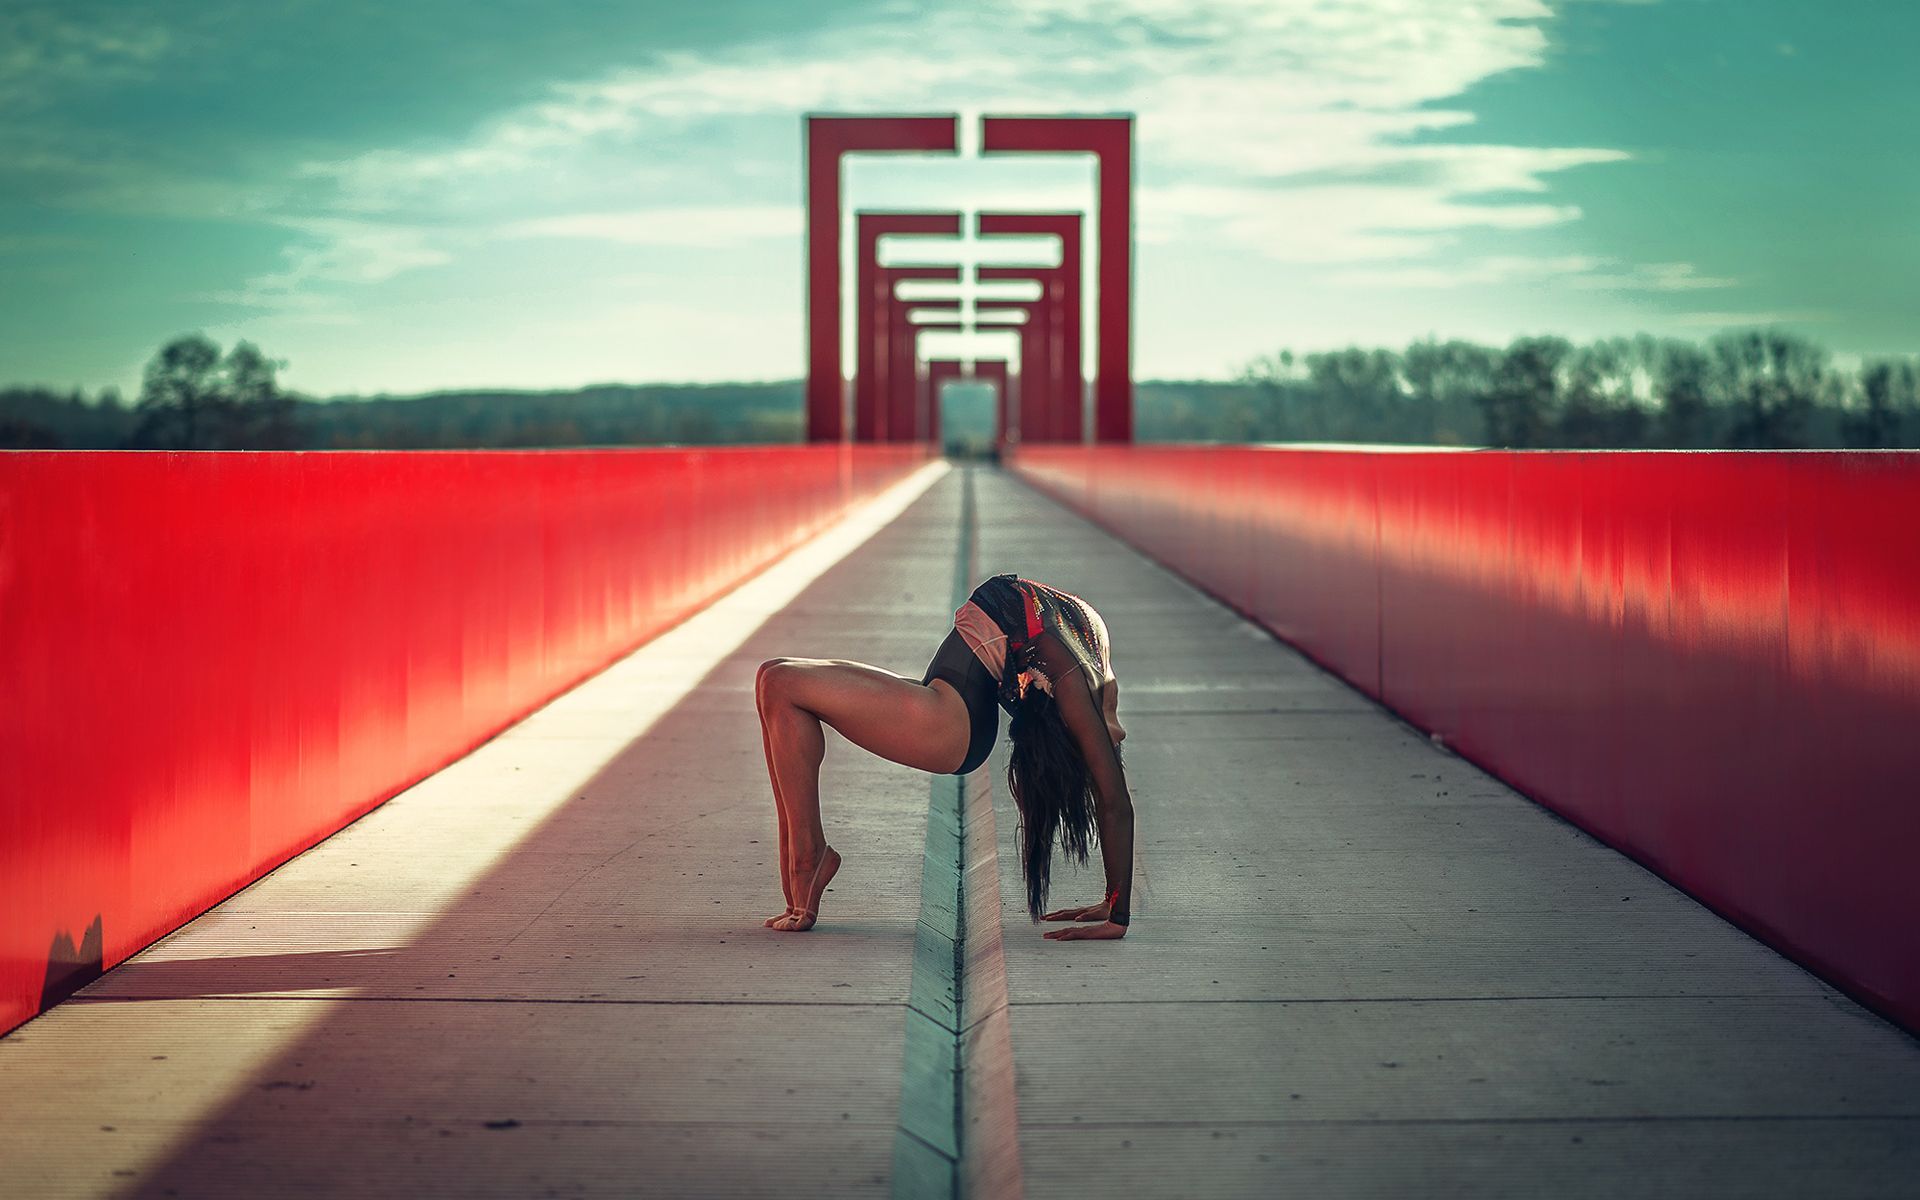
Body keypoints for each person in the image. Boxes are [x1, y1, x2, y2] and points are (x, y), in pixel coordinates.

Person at [754, 573, 1134, 939]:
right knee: (771, 674)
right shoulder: (1080, 637)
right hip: (942, 693)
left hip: (949, 724)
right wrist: (1109, 900)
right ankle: (805, 857)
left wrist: (1116, 914)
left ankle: (807, 856)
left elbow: (1114, 800)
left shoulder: (1072, 678)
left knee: (781, 684)